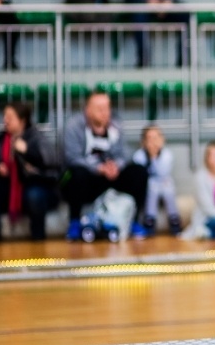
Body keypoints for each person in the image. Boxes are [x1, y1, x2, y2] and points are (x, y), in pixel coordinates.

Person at [60, 91, 149, 239]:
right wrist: (98, 168)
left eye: (107, 108)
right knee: (76, 174)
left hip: (111, 176)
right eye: (99, 108)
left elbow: (123, 154)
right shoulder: (74, 126)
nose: (104, 112)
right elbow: (72, 157)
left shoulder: (116, 125)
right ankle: (74, 222)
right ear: (87, 110)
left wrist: (116, 166)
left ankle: (133, 221)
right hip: (89, 177)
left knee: (139, 171)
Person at [0, 102, 60, 242]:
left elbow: (51, 161)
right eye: (4, 116)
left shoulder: (35, 136)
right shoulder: (1, 138)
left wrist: (27, 151)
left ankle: (38, 236)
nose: (5, 120)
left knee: (34, 194)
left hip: (38, 184)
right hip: (12, 187)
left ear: (22, 120)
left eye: (10, 117)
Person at [132, 125, 182, 236]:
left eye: (156, 138)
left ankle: (174, 218)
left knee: (168, 188)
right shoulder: (139, 155)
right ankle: (150, 219)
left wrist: (154, 157)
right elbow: (142, 174)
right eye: (149, 138)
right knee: (152, 188)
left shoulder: (167, 155)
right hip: (149, 184)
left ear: (162, 140)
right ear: (143, 142)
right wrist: (151, 157)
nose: (153, 142)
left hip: (164, 182)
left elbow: (163, 172)